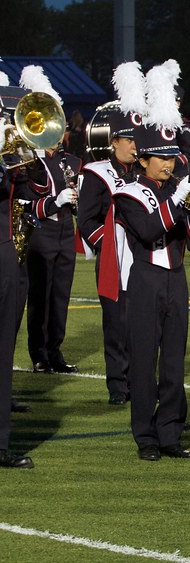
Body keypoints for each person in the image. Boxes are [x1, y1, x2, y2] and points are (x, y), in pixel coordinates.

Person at [103, 63, 190, 461]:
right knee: (144, 361)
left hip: (176, 278)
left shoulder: (176, 190)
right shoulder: (127, 193)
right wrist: (177, 202)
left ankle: (171, 433)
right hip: (144, 279)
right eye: (160, 158)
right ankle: (145, 437)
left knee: (174, 361)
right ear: (142, 160)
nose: (168, 164)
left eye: (171, 157)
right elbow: (147, 230)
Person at [78, 62, 144, 405]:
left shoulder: (145, 173)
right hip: (113, 260)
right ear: (114, 141)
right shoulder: (97, 173)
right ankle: (118, 385)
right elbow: (86, 219)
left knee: (142, 326)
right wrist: (109, 244)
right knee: (117, 325)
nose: (135, 146)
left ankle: (140, 382)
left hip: (144, 259)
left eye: (138, 140)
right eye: (129, 140)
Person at [16, 66, 80, 375]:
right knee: (40, 295)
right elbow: (25, 203)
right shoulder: (29, 162)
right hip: (41, 232)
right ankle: (39, 353)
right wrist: (57, 200)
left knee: (60, 296)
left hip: (65, 230)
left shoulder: (69, 161)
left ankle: (55, 350)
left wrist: (77, 198)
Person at [0, 76, 36, 468]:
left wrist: (26, 157)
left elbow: (32, 192)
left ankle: (0, 445)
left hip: (5, 250)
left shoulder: (10, 152)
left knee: (3, 351)